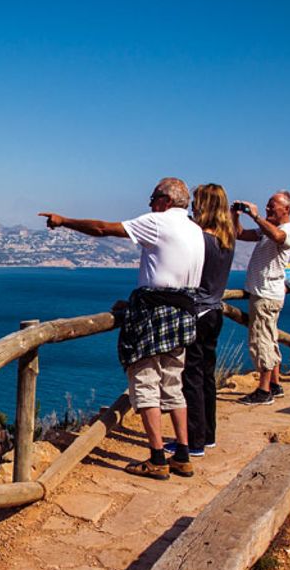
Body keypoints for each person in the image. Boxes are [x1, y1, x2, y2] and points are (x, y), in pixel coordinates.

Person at [39, 177, 204, 479]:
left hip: (155, 316)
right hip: (183, 315)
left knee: (144, 384)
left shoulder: (159, 222)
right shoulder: (195, 230)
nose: (149, 203)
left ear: (166, 200)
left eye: (153, 197)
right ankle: (183, 454)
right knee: (173, 385)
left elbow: (103, 229)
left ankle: (157, 459)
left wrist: (63, 221)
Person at [176, 184, 236, 456]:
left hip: (198, 314)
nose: (192, 208)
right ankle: (208, 434)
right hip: (215, 313)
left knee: (192, 378)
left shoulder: (201, 240)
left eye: (196, 203)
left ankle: (194, 441)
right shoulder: (227, 239)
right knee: (207, 376)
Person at [233, 191, 290, 405]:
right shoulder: (266, 231)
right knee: (269, 339)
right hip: (264, 293)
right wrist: (236, 215)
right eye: (267, 205)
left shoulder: (288, 229)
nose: (268, 208)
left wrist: (256, 217)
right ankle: (275, 384)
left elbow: (278, 238)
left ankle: (263, 390)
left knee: (261, 342)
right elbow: (239, 234)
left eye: (272, 206)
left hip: (266, 294)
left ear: (286, 209)